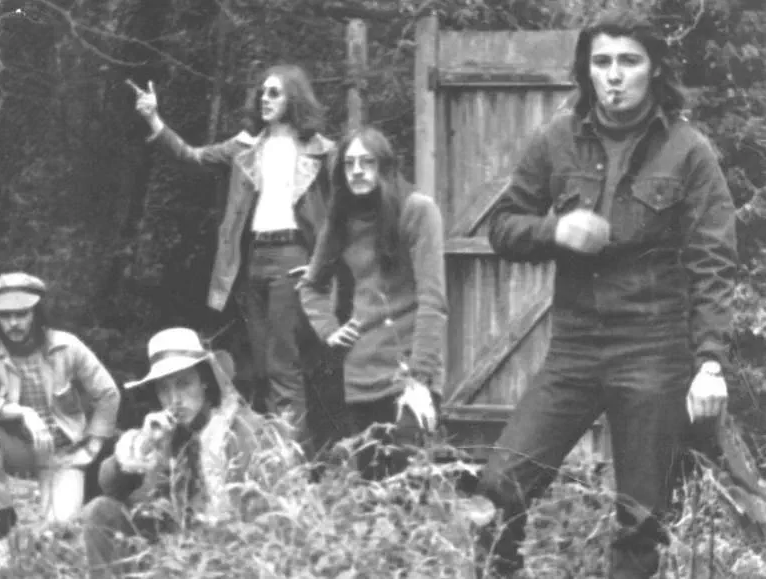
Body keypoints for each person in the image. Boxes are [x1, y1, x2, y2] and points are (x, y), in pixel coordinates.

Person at [476, 9, 737, 577]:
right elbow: (502, 226)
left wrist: (710, 362)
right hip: (575, 348)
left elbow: (713, 263)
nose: (614, 75)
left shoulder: (689, 150)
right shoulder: (556, 140)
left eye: (628, 61)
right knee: (501, 484)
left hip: (653, 350)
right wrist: (555, 230)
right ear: (586, 70)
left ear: (654, 68)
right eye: (601, 62)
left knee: (640, 519)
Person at [126, 65, 335, 451]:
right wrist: (154, 118)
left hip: (292, 259)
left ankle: (293, 463)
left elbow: (343, 214)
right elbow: (192, 156)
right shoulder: (245, 147)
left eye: (274, 93)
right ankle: (271, 455)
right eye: (262, 93)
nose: (264, 99)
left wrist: (321, 264)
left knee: (283, 366)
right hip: (252, 262)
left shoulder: (322, 151)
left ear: (294, 98)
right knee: (261, 364)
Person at [81, 327, 297, 578]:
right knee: (100, 510)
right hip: (174, 553)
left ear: (204, 382)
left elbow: (264, 517)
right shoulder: (167, 432)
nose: (174, 399)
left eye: (183, 384)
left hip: (226, 554)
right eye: (164, 389)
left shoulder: (243, 428)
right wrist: (145, 445)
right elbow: (110, 487)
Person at [297, 126, 448, 479]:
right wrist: (329, 331)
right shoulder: (340, 220)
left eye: (367, 162)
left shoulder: (417, 210)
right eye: (349, 164)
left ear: (385, 166)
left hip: (408, 372)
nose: (357, 171)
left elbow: (433, 300)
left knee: (410, 486)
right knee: (371, 486)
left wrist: (420, 379)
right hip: (361, 374)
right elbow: (311, 286)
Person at [0, 272, 121, 553]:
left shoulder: (66, 346)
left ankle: (59, 515)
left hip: (62, 453)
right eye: (5, 315)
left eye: (21, 313)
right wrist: (20, 412)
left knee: (59, 532)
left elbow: (108, 393)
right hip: (17, 444)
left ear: (35, 312)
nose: (14, 323)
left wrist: (93, 445)